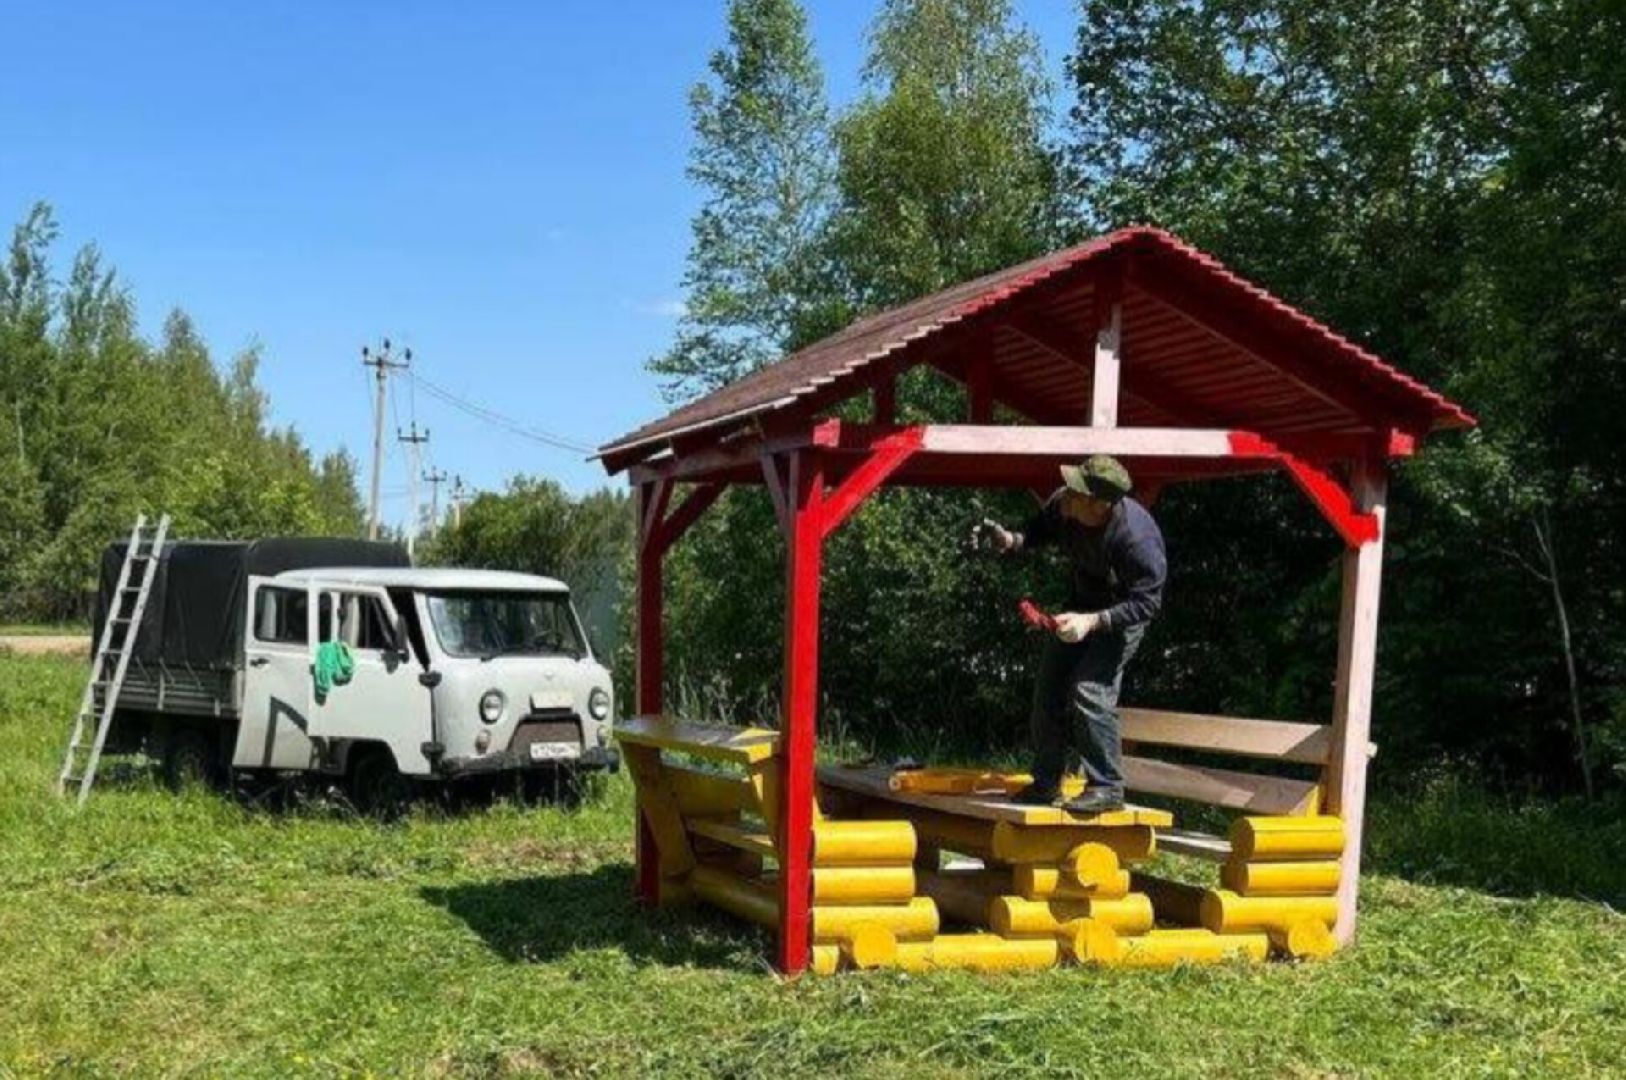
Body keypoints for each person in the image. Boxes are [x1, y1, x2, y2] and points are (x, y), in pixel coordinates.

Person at [973, 455, 1166, 814]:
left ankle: (1107, 787)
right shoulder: (1065, 505)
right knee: (1049, 687)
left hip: (1120, 619)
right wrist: (1008, 540)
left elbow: (1147, 604)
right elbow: (1033, 533)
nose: (1064, 494)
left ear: (1099, 506)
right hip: (1079, 605)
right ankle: (1046, 783)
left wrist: (1093, 622)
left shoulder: (1136, 539)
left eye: (1076, 491)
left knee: (1090, 690)